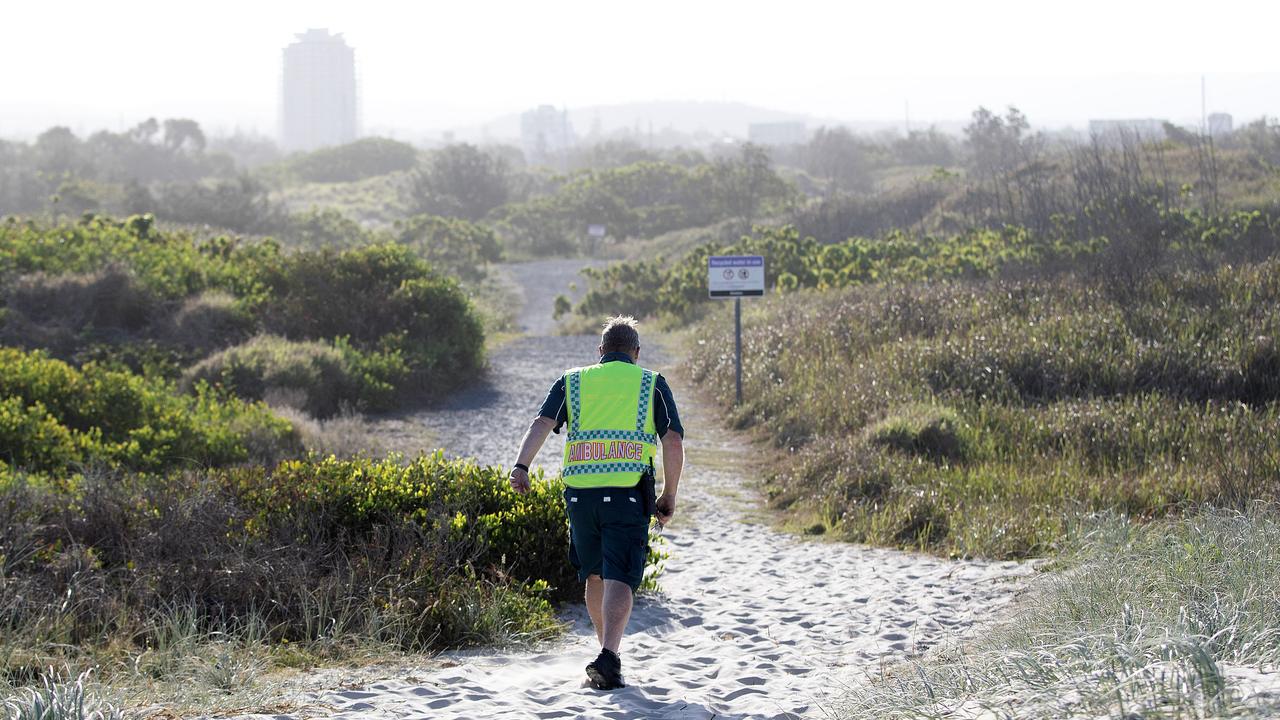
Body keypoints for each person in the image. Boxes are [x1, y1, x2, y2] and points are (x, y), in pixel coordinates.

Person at [509, 315, 685, 690]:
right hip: (627, 493)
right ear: (636, 352)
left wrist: (521, 466)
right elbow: (672, 440)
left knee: (593, 573)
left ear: (600, 351)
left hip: (580, 495)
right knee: (619, 573)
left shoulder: (572, 380)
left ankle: (608, 654)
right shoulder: (651, 383)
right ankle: (609, 654)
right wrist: (669, 494)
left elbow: (541, 423)